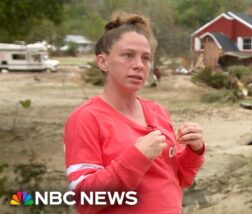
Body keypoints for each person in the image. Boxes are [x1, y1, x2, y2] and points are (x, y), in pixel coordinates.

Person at [63, 11, 205, 214]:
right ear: (103, 62)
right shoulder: (86, 119)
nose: (139, 65)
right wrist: (137, 157)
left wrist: (195, 150)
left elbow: (178, 179)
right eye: (128, 55)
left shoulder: (158, 111)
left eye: (146, 58)